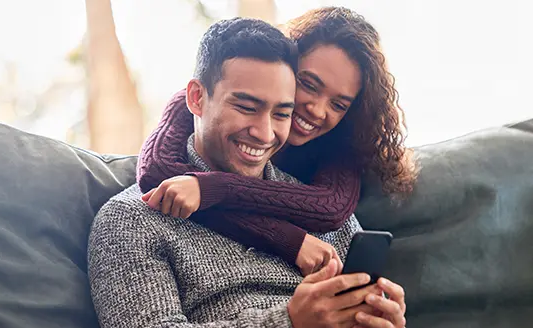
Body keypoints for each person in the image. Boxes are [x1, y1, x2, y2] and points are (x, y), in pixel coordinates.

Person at [89, 17, 414, 328]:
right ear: (197, 99)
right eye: (247, 107)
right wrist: (289, 327)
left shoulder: (320, 212)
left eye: (281, 114)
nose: (264, 133)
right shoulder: (131, 219)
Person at [137, 7, 417, 277]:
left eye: (338, 104)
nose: (317, 110)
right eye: (308, 84)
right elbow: (158, 174)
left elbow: (329, 209)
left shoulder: (341, 143)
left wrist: (211, 187)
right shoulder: (200, 103)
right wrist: (289, 240)